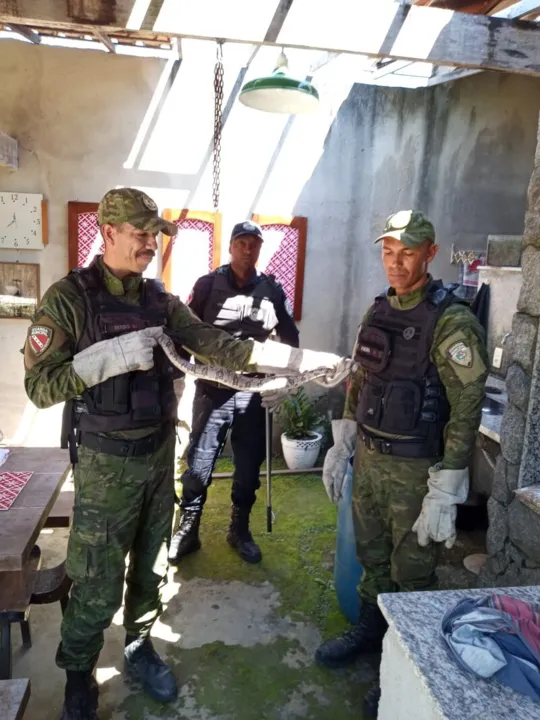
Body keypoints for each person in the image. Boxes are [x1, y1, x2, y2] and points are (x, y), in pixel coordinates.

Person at [22, 188, 346, 720]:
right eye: (140, 233)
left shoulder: (159, 300)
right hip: (106, 465)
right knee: (97, 580)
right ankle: (79, 676)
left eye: (156, 235)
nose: (151, 244)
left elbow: (220, 345)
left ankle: (138, 647)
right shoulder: (68, 299)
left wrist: (301, 359)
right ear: (108, 233)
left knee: (150, 570)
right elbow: (40, 388)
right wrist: (103, 360)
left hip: (158, 455)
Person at [315, 211, 488, 717]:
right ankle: (371, 632)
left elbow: (467, 404)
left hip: (417, 472)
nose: (395, 262)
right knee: (372, 561)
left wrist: (448, 485)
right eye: (388, 252)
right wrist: (342, 440)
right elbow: (359, 380)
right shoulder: (378, 312)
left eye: (407, 252)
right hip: (368, 459)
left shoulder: (452, 320)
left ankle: (402, 669)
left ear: (430, 253)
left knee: (411, 574)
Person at [168, 220, 300, 565]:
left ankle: (239, 529)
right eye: (241, 242)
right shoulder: (208, 285)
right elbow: (184, 333)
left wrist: (284, 379)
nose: (247, 248)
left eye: (254, 243)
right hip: (212, 390)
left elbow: (290, 337)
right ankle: (188, 529)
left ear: (258, 249)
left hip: (253, 393)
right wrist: (178, 376)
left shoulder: (272, 290)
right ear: (230, 246)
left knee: (248, 469)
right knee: (199, 465)